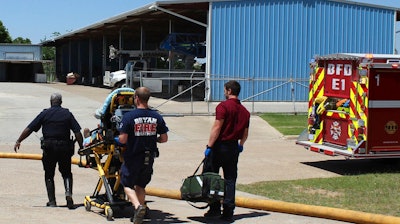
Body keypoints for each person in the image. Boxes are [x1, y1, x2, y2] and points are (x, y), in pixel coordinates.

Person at [14, 93, 84, 209]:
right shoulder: (67, 114)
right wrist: (82, 147)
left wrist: (19, 140)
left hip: (49, 148)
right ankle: (68, 194)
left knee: (49, 174)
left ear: (51, 102)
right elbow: (77, 132)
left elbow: (30, 128)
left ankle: (52, 201)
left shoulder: (44, 114)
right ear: (61, 102)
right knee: (66, 173)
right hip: (65, 148)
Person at [118, 87, 168, 224]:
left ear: (137, 98)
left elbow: (122, 140)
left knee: (126, 183)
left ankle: (138, 206)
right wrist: (154, 139)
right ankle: (139, 213)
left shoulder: (129, 117)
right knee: (140, 185)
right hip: (149, 157)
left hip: (133, 156)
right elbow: (164, 138)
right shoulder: (157, 116)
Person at [203, 80, 250, 222]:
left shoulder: (223, 107)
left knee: (212, 177)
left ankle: (214, 207)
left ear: (229, 91)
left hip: (219, 146)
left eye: (225, 90)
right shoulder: (245, 111)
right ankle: (228, 211)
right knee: (230, 179)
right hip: (233, 147)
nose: (224, 93)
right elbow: (245, 132)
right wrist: (241, 144)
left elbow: (217, 127)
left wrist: (209, 146)